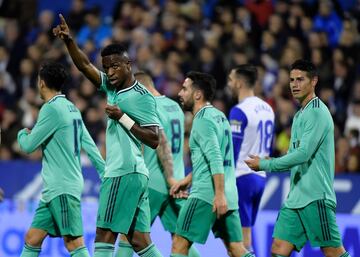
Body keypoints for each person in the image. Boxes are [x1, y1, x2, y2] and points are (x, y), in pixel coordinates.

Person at [53, 14, 164, 257]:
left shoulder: (141, 96)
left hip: (123, 172)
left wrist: (122, 117)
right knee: (139, 241)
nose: (110, 72)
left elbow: (154, 139)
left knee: (104, 233)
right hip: (135, 173)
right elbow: (84, 66)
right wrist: (69, 41)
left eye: (115, 66)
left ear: (128, 65)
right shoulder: (113, 87)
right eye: (106, 68)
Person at [245, 59, 351, 257]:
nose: (294, 84)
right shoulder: (300, 114)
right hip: (295, 198)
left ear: (314, 81)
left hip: (315, 197)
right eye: (292, 80)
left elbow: (303, 155)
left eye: (300, 79)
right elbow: (296, 153)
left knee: (334, 252)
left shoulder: (318, 112)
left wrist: (266, 164)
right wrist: (271, 158)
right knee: (278, 248)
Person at [17, 61, 105, 257]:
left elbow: (28, 146)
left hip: (62, 187)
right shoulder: (71, 108)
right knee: (32, 238)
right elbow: (89, 143)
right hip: (56, 189)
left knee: (74, 243)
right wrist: (104, 171)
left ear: (41, 83)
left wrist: (22, 133)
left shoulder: (51, 109)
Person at [115, 71, 200, 257]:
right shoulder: (174, 107)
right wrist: (173, 179)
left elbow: (162, 143)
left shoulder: (149, 107)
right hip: (175, 184)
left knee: (127, 235)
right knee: (179, 240)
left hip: (153, 182)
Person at [170, 71, 255, 257]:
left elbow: (216, 157)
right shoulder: (220, 116)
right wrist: (189, 179)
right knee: (236, 249)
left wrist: (218, 194)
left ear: (197, 94)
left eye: (185, 89)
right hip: (229, 194)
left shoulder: (202, 120)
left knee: (178, 245)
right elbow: (216, 158)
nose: (180, 93)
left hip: (208, 196)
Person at [227, 64, 275, 252]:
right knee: (243, 239)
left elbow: (232, 150)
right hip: (260, 178)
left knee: (241, 242)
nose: (229, 84)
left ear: (239, 83)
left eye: (231, 80)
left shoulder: (239, 111)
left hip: (242, 178)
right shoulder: (268, 108)